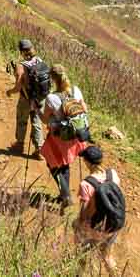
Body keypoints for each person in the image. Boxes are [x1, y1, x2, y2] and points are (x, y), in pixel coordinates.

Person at [39, 65, 91, 212]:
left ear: (52, 79)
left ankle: (66, 194)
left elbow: (44, 119)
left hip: (59, 137)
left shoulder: (51, 98)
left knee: (53, 164)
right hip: (75, 135)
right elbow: (85, 110)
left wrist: (36, 109)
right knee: (65, 164)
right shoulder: (76, 90)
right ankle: (64, 194)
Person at [74, 146, 125, 272]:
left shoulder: (86, 184)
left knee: (81, 247)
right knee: (107, 256)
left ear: (87, 162)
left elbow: (84, 213)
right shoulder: (112, 174)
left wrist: (78, 226)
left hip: (96, 228)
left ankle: (80, 270)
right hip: (114, 224)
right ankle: (116, 274)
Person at [5, 39, 51, 158]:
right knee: (36, 122)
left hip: (26, 99)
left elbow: (18, 87)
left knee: (22, 121)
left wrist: (9, 92)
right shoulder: (40, 60)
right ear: (32, 48)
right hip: (40, 99)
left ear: (21, 52)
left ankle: (19, 145)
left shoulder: (21, 66)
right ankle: (39, 149)